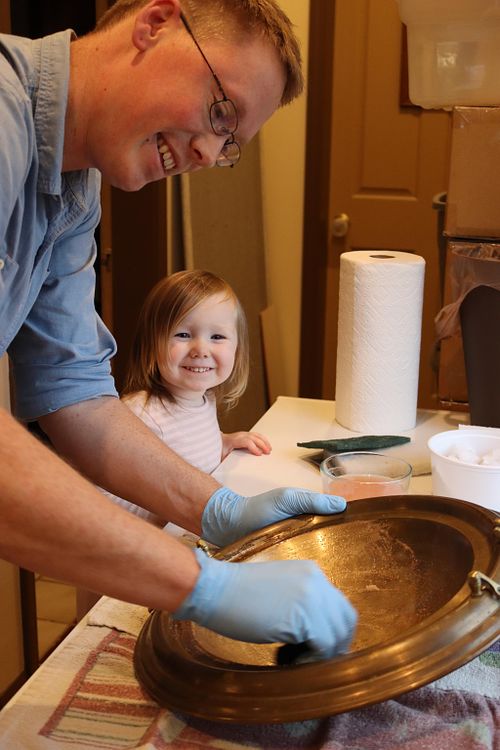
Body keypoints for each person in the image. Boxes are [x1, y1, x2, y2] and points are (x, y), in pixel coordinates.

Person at [0, 0, 357, 661]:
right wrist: (206, 585)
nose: (204, 151)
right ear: (156, 22)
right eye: (221, 112)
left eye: (229, 144)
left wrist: (215, 508)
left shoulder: (72, 193)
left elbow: (74, 394)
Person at [103, 269, 272, 526]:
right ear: (152, 344)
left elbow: (187, 447)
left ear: (237, 349)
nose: (201, 350)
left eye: (217, 337)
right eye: (183, 335)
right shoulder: (140, 414)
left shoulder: (204, 400)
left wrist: (223, 443)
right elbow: (100, 494)